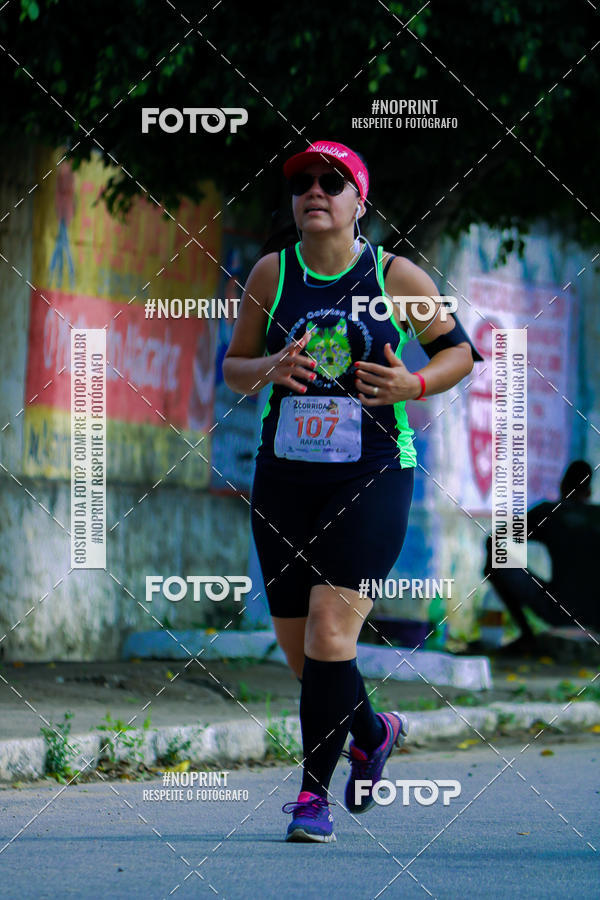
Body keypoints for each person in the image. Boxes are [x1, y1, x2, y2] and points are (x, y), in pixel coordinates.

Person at [223, 140, 483, 843]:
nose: (314, 190)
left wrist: (415, 384)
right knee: (306, 656)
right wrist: (269, 368)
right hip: (283, 480)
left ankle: (313, 798)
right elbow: (234, 367)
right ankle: (372, 731)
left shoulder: (397, 277)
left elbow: (459, 350)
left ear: (357, 201)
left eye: (331, 181)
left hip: (372, 475)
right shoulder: (272, 275)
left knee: (330, 632)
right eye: (303, 181)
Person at [483, 459, 600, 655]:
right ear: (589, 492)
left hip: (560, 610)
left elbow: (494, 540)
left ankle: (527, 636)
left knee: (497, 559)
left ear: (562, 486)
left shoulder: (550, 513)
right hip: (596, 614)